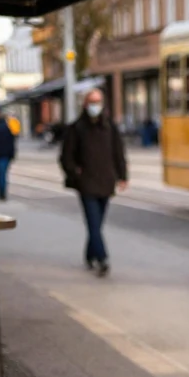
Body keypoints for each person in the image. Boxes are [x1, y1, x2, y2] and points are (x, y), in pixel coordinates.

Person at [59, 89, 128, 276]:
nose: (94, 106)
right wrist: (75, 172)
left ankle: (90, 255)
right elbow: (66, 157)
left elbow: (118, 153)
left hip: (106, 182)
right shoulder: (76, 128)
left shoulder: (110, 127)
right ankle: (102, 259)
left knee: (97, 224)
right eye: (91, 102)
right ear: (85, 104)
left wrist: (123, 176)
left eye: (98, 102)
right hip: (86, 183)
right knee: (93, 222)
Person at [0, 108, 15, 201]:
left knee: (0, 175)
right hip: (1, 155)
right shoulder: (6, 126)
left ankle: (2, 193)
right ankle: (1, 193)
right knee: (1, 175)